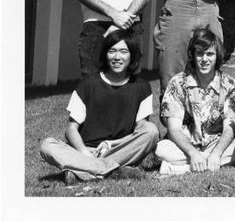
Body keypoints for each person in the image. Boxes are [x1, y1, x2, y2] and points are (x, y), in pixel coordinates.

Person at [40, 30, 159, 185]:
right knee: (47, 145)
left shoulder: (142, 87)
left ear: (132, 55)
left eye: (123, 51)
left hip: (119, 150)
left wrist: (111, 144)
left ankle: (81, 170)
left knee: (151, 131)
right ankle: (112, 170)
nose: (117, 57)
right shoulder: (87, 84)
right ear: (105, 54)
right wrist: (84, 152)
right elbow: (70, 129)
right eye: (112, 51)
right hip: (85, 150)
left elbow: (141, 131)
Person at [155, 28, 235, 174]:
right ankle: (207, 163)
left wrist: (217, 153)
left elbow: (229, 128)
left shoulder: (230, 85)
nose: (204, 59)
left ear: (217, 56)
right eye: (200, 54)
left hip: (216, 144)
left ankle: (179, 168)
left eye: (210, 54)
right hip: (185, 145)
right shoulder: (177, 83)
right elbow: (174, 129)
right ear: (193, 55)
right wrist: (193, 153)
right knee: (160, 149)